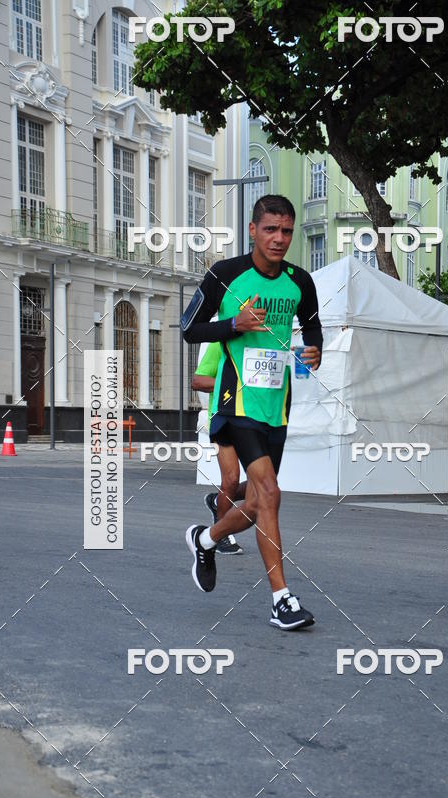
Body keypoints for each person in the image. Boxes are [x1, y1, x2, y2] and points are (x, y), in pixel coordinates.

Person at [181, 194, 323, 630]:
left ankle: (206, 538)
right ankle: (282, 598)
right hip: (234, 398)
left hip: (276, 404)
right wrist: (234, 326)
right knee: (270, 495)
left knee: (261, 500)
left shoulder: (300, 281)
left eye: (286, 231)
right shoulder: (225, 276)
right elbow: (189, 328)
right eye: (270, 230)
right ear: (252, 230)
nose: (279, 239)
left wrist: (315, 352)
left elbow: (313, 330)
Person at [192, 342, 245, 555]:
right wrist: (235, 384)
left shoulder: (265, 344)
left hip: (257, 420)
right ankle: (220, 533)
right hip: (225, 419)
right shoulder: (220, 342)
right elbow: (197, 381)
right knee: (231, 480)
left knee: (264, 487)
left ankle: (217, 501)